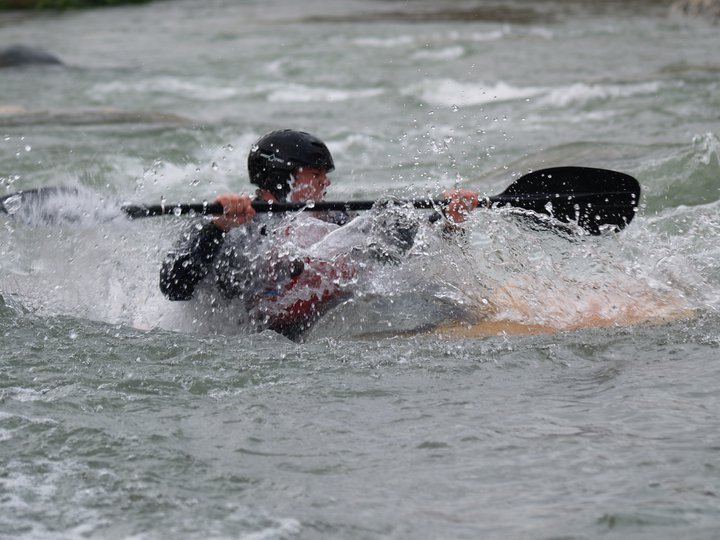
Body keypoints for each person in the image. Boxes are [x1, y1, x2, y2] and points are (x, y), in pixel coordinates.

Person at [160, 129, 479, 340]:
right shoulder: (232, 226)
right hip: (248, 344)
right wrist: (215, 229)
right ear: (282, 177)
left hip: (322, 329)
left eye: (325, 175)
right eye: (315, 175)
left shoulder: (337, 220)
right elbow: (174, 287)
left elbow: (409, 257)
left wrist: (448, 220)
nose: (325, 184)